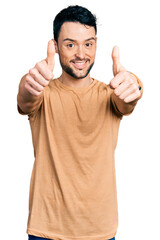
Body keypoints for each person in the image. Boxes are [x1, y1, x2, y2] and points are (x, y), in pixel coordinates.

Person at [17, 5, 143, 240]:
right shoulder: (42, 92)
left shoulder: (111, 94)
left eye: (88, 43)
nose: (81, 54)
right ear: (55, 46)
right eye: (70, 44)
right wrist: (28, 83)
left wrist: (134, 84)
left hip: (99, 230)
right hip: (47, 229)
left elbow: (128, 100)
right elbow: (25, 98)